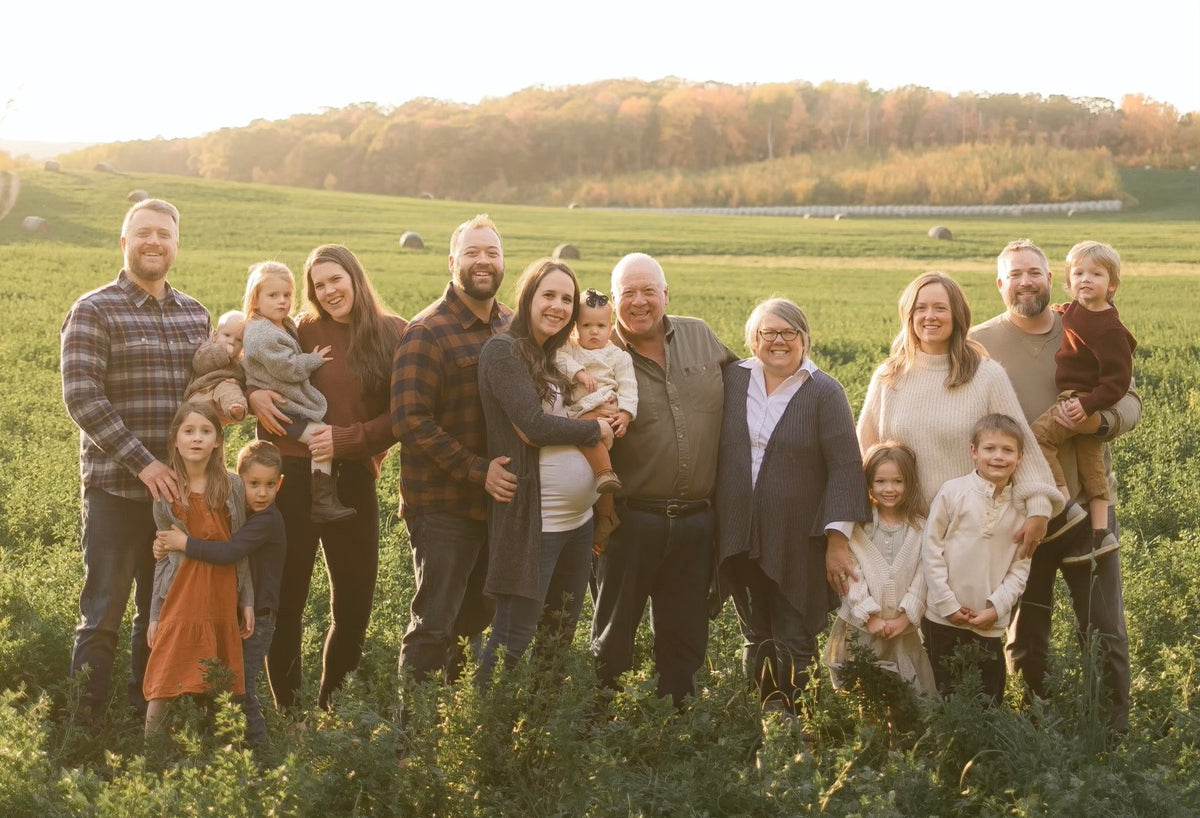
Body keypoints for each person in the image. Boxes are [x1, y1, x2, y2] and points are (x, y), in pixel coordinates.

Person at [971, 238, 1140, 732]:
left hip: (1085, 507)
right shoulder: (979, 342)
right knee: (1026, 634)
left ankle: (1113, 736)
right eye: (1015, 274)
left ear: (1052, 279)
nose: (1026, 281)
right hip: (1017, 514)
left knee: (1105, 628)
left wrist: (1098, 420)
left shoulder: (1084, 323)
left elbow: (1129, 400)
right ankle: (1033, 727)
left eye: (1035, 272)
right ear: (1000, 284)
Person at [61, 198, 211, 722]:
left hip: (175, 501)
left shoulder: (196, 314)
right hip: (116, 492)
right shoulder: (94, 308)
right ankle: (82, 731)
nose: (154, 242)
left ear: (175, 244)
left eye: (164, 234)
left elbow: (207, 394)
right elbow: (82, 396)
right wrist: (144, 463)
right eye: (143, 233)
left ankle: (143, 724)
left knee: (162, 614)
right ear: (124, 243)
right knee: (102, 613)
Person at [248, 244, 405, 711]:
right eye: (319, 284)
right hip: (293, 477)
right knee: (287, 601)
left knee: (354, 606)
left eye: (336, 279)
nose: (329, 290)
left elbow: (405, 414)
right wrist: (252, 393)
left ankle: (331, 709)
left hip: (353, 478)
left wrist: (350, 439)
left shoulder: (393, 333)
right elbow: (254, 362)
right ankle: (290, 713)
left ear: (355, 276)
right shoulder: (300, 329)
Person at [851, 271, 1063, 598]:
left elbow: (1020, 445)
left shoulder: (986, 375)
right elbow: (866, 448)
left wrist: (1038, 506)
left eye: (940, 308)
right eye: (921, 308)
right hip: (906, 534)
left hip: (972, 535)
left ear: (957, 316)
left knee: (967, 631)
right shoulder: (888, 377)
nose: (930, 316)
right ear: (909, 316)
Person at [590, 252, 737, 707]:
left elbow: (750, 386)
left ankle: (677, 729)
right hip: (630, 522)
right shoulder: (598, 355)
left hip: (696, 523)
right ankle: (600, 731)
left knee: (685, 640)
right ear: (613, 302)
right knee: (613, 639)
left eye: (648, 290)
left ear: (666, 294)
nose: (639, 302)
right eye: (628, 293)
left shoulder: (700, 337)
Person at [716, 297, 871, 719]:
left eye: (789, 333)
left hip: (798, 539)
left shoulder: (824, 391)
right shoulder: (732, 381)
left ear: (804, 339)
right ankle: (764, 725)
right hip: (739, 535)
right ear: (753, 339)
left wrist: (837, 542)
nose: (779, 341)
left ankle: (800, 730)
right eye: (769, 333)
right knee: (756, 637)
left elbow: (845, 467)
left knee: (793, 634)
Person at [476, 259, 614, 679]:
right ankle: (487, 731)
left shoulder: (553, 355)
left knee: (558, 636)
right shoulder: (502, 351)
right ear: (528, 297)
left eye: (566, 299)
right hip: (535, 522)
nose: (557, 306)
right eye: (548, 295)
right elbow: (533, 428)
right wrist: (595, 429)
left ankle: (536, 734)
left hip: (578, 522)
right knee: (513, 637)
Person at [392, 215, 514, 686]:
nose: (483, 261)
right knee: (434, 623)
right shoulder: (427, 331)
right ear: (452, 262)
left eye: (492, 253)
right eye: (472, 253)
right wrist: (476, 470)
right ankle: (410, 741)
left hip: (498, 506)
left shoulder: (510, 325)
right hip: (443, 507)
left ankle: (454, 730)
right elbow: (410, 420)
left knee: (475, 622)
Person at [155, 440, 287, 748]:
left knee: (241, 689)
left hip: (259, 618)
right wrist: (164, 543)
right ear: (240, 483)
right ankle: (227, 748)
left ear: (280, 483)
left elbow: (229, 552)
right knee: (223, 685)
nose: (262, 493)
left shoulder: (268, 520)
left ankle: (260, 754)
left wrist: (182, 543)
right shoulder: (242, 512)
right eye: (254, 484)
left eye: (270, 485)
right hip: (232, 611)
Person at [922, 414, 1051, 705]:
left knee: (988, 699)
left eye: (1007, 450)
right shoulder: (953, 493)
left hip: (988, 624)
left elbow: (1021, 568)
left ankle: (984, 751)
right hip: (942, 619)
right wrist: (947, 603)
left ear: (1020, 458)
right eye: (990, 449)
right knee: (943, 696)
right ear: (973, 452)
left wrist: (996, 608)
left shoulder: (1021, 507)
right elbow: (930, 550)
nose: (998, 457)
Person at [143, 402, 251, 732]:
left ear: (218, 440)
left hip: (220, 594)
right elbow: (163, 558)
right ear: (175, 439)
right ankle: (150, 759)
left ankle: (214, 758)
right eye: (188, 431)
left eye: (206, 431)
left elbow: (241, 549)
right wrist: (155, 614)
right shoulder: (165, 491)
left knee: (218, 683)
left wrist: (246, 599)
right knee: (165, 679)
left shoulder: (232, 487)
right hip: (180, 596)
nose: (197, 439)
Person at [1030, 241, 1136, 566]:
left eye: (1096, 274)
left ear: (1112, 284)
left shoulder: (1110, 330)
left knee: (1037, 438)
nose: (1085, 279)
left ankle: (1064, 506)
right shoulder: (1076, 309)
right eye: (1078, 273)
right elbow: (1069, 313)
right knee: (1092, 465)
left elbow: (1117, 382)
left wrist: (1089, 406)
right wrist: (1060, 310)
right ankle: (1101, 530)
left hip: (1079, 399)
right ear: (1068, 281)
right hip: (1083, 400)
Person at [241, 261, 355, 523]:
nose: (282, 301)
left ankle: (324, 497)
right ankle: (323, 500)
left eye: (287, 295)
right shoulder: (262, 334)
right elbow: (288, 369)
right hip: (282, 411)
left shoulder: (281, 323)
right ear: (255, 301)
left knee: (320, 438)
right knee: (321, 440)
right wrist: (312, 359)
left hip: (289, 407)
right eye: (273, 296)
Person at [824, 442, 936, 698]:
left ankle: (902, 737)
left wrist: (906, 617)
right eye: (880, 481)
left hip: (902, 629)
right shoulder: (858, 527)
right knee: (866, 690)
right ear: (869, 483)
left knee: (907, 694)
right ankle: (869, 736)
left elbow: (923, 575)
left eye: (898, 481)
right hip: (863, 627)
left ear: (909, 483)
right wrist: (869, 617)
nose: (889, 489)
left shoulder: (920, 527)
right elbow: (852, 576)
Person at [553, 287, 637, 551]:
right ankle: (607, 516)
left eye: (600, 325)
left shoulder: (618, 356)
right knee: (591, 471)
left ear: (610, 327)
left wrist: (625, 413)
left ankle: (605, 477)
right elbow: (557, 358)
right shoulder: (571, 350)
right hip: (580, 411)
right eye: (586, 325)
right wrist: (579, 373)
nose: (594, 331)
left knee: (595, 453)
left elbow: (628, 387)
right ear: (575, 327)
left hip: (603, 412)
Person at [184, 309, 248, 425]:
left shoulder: (240, 361)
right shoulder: (208, 349)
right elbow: (199, 364)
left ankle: (236, 409)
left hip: (224, 389)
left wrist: (239, 383)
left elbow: (245, 378)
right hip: (202, 389)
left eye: (238, 340)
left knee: (231, 390)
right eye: (227, 335)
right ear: (214, 335)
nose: (232, 341)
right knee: (193, 409)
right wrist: (223, 352)